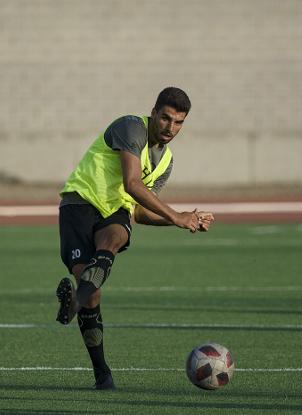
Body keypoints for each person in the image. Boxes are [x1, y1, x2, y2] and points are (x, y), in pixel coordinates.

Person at [56, 87, 214, 390]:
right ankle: (101, 369)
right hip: (79, 203)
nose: (170, 128)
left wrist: (182, 220)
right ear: (153, 112)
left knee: (114, 237)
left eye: (178, 122)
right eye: (166, 118)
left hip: (114, 213)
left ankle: (75, 306)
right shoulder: (131, 127)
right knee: (94, 294)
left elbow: (139, 211)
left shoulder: (165, 162)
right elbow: (131, 183)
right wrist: (176, 215)